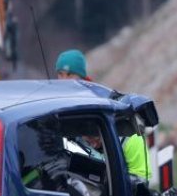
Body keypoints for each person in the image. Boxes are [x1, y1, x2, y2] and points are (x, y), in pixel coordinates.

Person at [54, 49, 150, 180]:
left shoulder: (128, 135)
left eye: (70, 75)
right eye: (60, 74)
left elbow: (142, 180)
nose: (64, 81)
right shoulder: (54, 111)